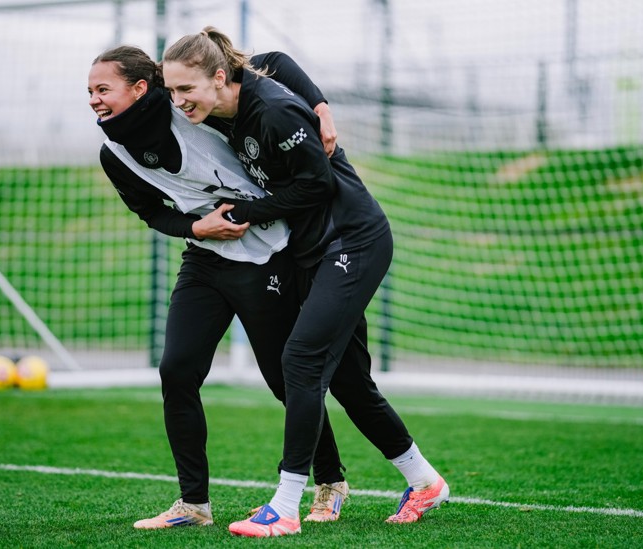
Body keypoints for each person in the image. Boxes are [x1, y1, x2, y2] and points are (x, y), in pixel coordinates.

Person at [162, 27, 450, 538]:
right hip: (312, 250)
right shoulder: (228, 103)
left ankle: (286, 504)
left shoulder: (272, 111)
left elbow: (316, 184)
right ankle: (424, 480)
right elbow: (275, 56)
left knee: (299, 360)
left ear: (220, 78)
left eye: (188, 90)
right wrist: (321, 102)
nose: (180, 101)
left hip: (353, 241)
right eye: (172, 92)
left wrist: (250, 210)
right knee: (348, 380)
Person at [88, 45, 351, 530]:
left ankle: (330, 482)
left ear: (140, 88)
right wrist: (197, 230)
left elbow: (272, 61)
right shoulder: (115, 153)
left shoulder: (192, 104)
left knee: (283, 378)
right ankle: (193, 504)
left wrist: (320, 107)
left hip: (267, 253)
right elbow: (151, 211)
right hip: (205, 260)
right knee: (177, 369)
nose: (94, 100)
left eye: (103, 89)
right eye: (90, 92)